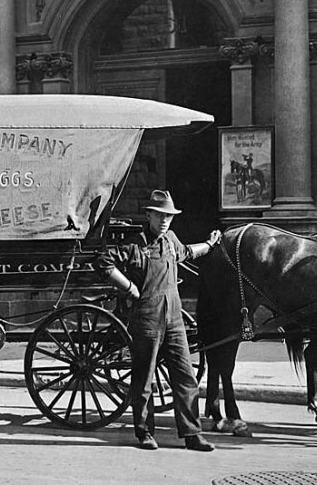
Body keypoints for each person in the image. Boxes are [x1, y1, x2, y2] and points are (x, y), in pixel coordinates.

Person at [98, 189, 221, 451]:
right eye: (160, 215)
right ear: (149, 215)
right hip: (146, 320)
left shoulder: (171, 240)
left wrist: (209, 245)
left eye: (169, 216)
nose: (164, 220)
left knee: (185, 376)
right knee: (144, 378)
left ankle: (192, 434)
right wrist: (130, 288)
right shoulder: (134, 244)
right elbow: (104, 263)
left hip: (174, 320)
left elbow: (187, 252)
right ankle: (144, 433)